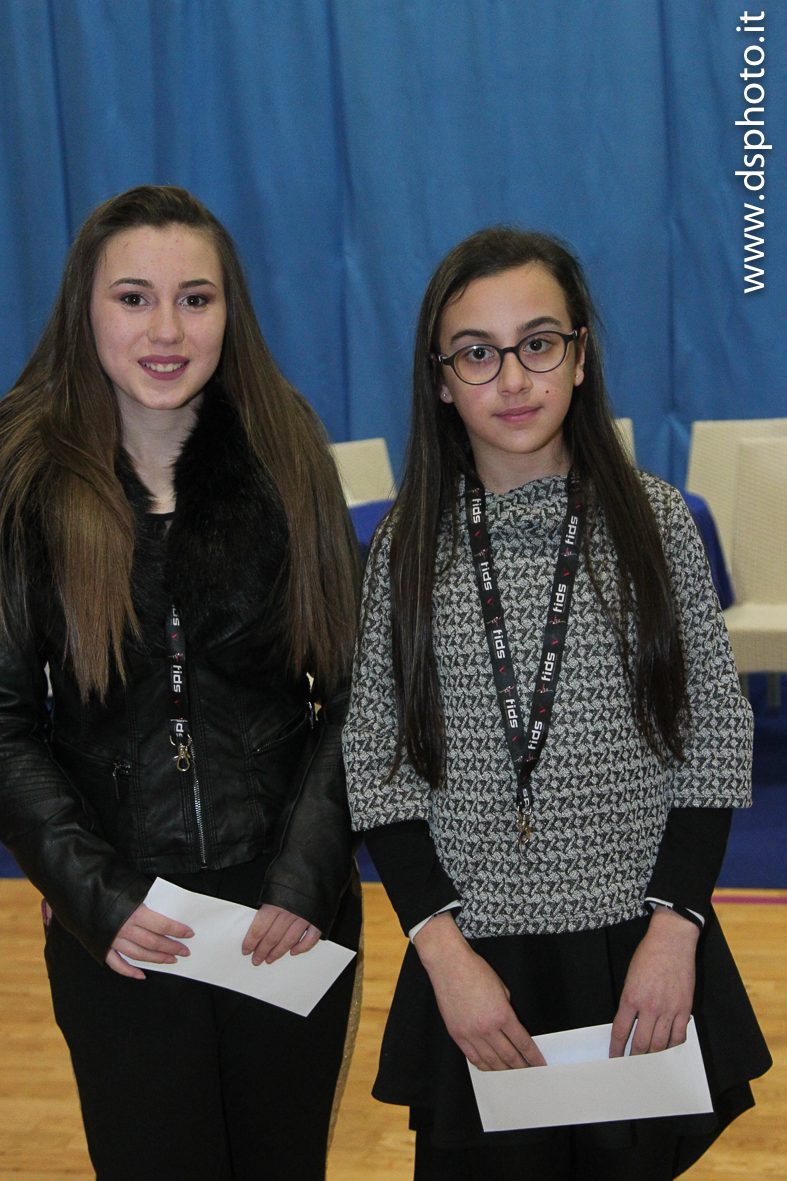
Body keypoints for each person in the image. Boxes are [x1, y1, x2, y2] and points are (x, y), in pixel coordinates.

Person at [343, 227, 771, 1180]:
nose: (512, 377)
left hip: (636, 945)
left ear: (580, 355)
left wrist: (675, 927)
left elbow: (711, 734)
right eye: (476, 353)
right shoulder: (405, 545)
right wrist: (441, 954)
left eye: (537, 343)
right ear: (440, 380)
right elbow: (377, 760)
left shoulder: (656, 522)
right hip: (474, 957)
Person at [0, 185, 361, 1180]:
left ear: (229, 310)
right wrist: (92, 894)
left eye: (195, 299)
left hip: (284, 910)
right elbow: (4, 726)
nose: (166, 330)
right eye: (134, 298)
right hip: (121, 917)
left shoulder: (287, 447)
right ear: (84, 309)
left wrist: (307, 877)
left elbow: (356, 693)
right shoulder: (22, 472)